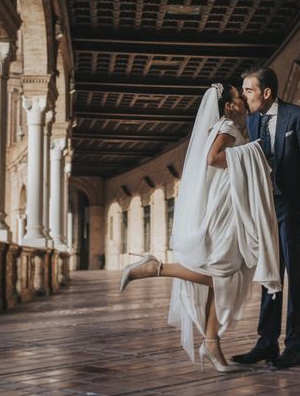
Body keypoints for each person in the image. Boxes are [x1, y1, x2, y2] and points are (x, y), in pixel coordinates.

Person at [118, 82, 281, 373]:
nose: (244, 97)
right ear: (229, 106)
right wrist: (254, 154)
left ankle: (211, 341)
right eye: (238, 95)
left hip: (227, 206)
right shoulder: (228, 128)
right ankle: (155, 268)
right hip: (225, 211)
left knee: (225, 275)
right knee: (224, 274)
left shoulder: (228, 128)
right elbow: (213, 159)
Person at [232, 66, 300, 369]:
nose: (244, 95)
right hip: (267, 210)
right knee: (270, 275)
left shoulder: (297, 116)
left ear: (266, 92)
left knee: (298, 279)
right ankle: (266, 343)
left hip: (297, 211)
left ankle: (295, 347)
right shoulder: (252, 120)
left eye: (248, 90)